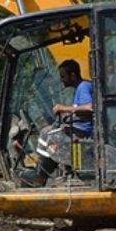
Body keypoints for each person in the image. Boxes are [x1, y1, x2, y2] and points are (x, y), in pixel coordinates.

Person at [29, 59, 93, 187]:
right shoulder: (80, 88)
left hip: (83, 133)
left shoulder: (84, 87)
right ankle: (45, 173)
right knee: (50, 134)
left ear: (73, 75)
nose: (62, 80)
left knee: (47, 134)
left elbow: (90, 108)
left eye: (63, 76)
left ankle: (41, 177)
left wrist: (65, 108)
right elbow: (80, 111)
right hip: (77, 129)